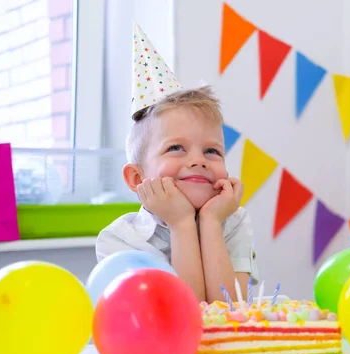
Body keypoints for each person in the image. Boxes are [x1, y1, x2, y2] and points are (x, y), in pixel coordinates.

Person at [95, 23, 259, 303]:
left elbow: (232, 312)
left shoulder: (233, 221)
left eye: (212, 151)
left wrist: (210, 222)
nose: (198, 160)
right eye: (176, 148)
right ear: (136, 178)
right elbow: (183, 315)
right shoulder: (120, 239)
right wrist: (182, 224)